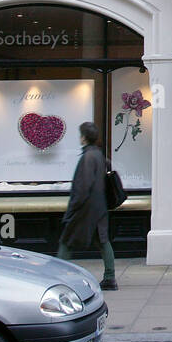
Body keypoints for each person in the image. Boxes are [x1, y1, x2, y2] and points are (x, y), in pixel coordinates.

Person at [57, 122, 117, 290]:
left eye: (80, 134)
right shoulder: (98, 154)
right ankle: (110, 277)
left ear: (83, 137)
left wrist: (72, 208)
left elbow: (82, 187)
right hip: (99, 206)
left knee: (66, 241)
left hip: (85, 209)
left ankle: (57, 277)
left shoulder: (87, 158)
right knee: (103, 240)